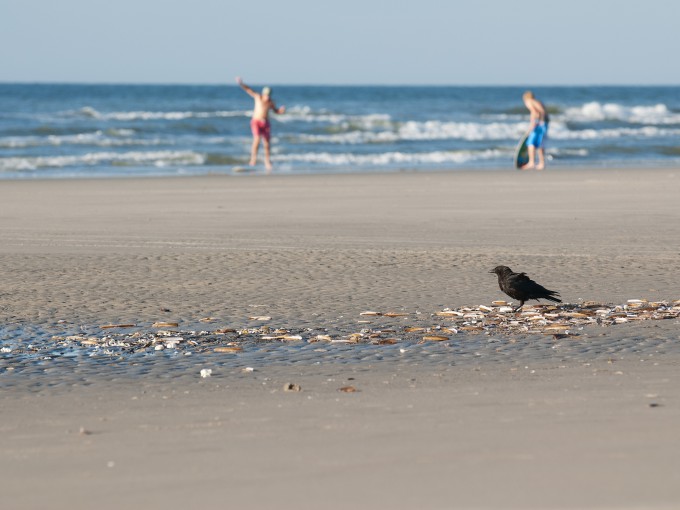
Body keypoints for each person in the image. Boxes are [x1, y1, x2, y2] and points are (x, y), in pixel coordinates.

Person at [236, 77, 286, 172]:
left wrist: (281, 111)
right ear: (263, 93)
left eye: (269, 95)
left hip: (265, 123)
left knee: (267, 143)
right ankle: (253, 159)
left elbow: (276, 111)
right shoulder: (258, 97)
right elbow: (248, 90)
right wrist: (241, 83)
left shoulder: (271, 102)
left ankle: (267, 161)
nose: (267, 96)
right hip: (256, 121)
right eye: (266, 94)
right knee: (257, 139)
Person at [521, 91, 549, 170]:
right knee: (540, 144)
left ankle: (531, 162)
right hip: (545, 123)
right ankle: (541, 163)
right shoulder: (538, 102)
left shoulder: (529, 101)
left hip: (539, 124)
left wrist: (532, 125)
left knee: (531, 143)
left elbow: (534, 112)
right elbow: (542, 112)